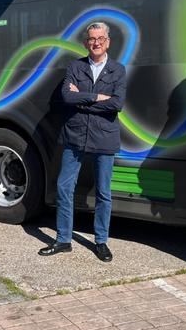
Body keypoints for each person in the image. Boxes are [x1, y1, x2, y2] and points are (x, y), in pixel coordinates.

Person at [39, 22, 126, 262]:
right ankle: (63, 239)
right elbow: (67, 96)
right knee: (64, 188)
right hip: (74, 136)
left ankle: (101, 242)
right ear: (85, 42)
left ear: (107, 41)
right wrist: (98, 97)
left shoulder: (118, 70)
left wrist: (83, 99)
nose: (95, 42)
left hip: (104, 139)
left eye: (100, 38)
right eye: (91, 39)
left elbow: (117, 104)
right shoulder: (75, 66)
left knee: (103, 193)